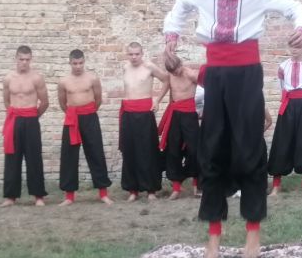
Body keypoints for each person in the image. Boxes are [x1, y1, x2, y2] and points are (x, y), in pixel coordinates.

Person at [163, 0, 302, 258]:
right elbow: (180, 6)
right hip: (216, 72)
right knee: (211, 150)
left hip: (246, 73)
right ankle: (213, 239)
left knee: (249, 149)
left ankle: (253, 232)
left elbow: (294, 8)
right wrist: (171, 38)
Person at [57, 49, 113, 206]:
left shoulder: (92, 78)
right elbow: (62, 103)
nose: (78, 66)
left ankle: (103, 194)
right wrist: (73, 113)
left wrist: (88, 112)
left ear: (84, 62)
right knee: (69, 155)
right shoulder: (63, 81)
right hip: (72, 118)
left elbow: (98, 99)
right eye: (75, 63)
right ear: (70, 62)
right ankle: (69, 196)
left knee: (96, 152)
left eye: (80, 63)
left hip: (89, 116)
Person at [119, 42, 169, 201]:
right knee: (129, 150)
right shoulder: (125, 68)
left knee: (148, 150)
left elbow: (166, 80)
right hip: (128, 112)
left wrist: (157, 100)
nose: (134, 57)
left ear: (142, 54)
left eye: (137, 54)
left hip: (145, 113)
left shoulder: (149, 67)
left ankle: (151, 189)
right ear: (127, 54)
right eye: (131, 54)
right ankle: (132, 190)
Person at [0, 45, 49, 207]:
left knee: (34, 157)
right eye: (21, 59)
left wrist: (33, 117)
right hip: (14, 119)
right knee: (12, 157)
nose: (24, 62)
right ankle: (10, 197)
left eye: (27, 59)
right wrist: (15, 115)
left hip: (31, 119)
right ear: (16, 59)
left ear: (31, 59)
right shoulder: (8, 78)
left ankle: (38, 196)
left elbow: (45, 102)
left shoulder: (36, 78)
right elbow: (7, 101)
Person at [268, 45, 302, 195]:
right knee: (282, 141)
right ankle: (276, 185)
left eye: (297, 46)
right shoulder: (283, 66)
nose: (294, 49)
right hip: (288, 104)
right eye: (292, 46)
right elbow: (282, 87)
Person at [156, 54, 201, 200]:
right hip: (175, 114)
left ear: (180, 64)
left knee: (195, 150)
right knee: (173, 149)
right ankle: (176, 188)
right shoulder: (170, 75)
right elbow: (167, 90)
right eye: (173, 72)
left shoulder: (191, 74)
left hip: (189, 114)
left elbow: (209, 88)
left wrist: (205, 109)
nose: (176, 73)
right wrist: (157, 101)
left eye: (177, 70)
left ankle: (197, 186)